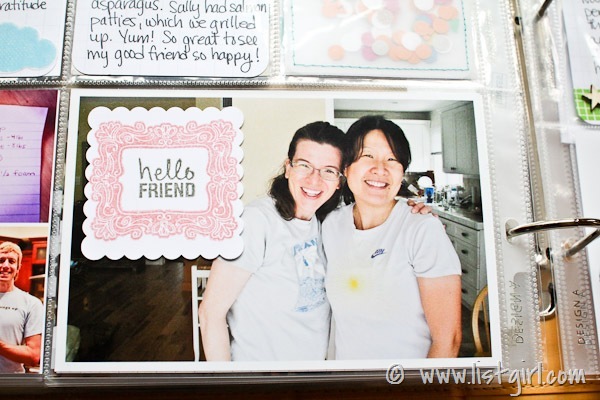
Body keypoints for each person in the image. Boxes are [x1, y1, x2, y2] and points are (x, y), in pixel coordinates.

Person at [199, 121, 430, 361]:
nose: (314, 180)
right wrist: (228, 380)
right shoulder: (256, 221)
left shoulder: (327, 222)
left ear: (339, 179)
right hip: (260, 376)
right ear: (288, 168)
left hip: (314, 376)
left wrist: (412, 212)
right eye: (304, 165)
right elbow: (210, 314)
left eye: (328, 170)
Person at [322, 115, 462, 360]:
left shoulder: (421, 229)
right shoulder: (331, 225)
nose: (380, 168)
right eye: (367, 156)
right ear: (346, 167)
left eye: (392, 159)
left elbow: (448, 340)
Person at [0, 241, 44, 372]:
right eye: (1, 260)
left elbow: (33, 356)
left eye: (11, 261)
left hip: (11, 381)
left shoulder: (31, 303)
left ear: (18, 268)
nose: (5, 265)